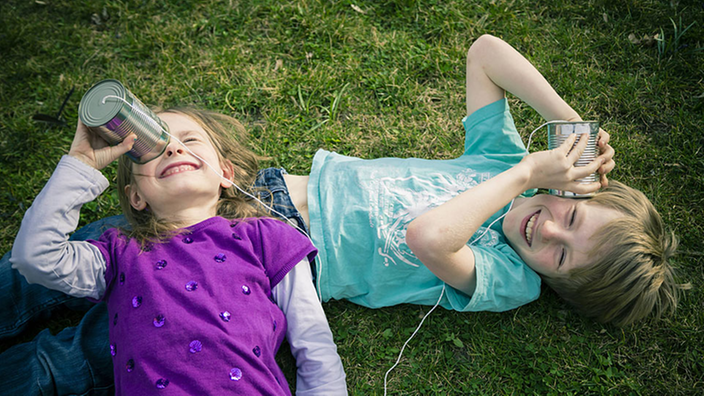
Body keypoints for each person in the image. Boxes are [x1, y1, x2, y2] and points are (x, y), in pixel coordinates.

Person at [1, 34, 686, 395]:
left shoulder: (511, 276)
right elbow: (485, 52)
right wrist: (566, 126)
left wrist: (528, 174)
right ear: (576, 192)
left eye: (562, 254)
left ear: (555, 282)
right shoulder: (499, 158)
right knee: (67, 259)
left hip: (266, 265)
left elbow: (430, 237)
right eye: (571, 217)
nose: (549, 231)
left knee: (113, 348)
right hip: (249, 193)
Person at [9, 106, 348, 394]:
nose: (172, 149)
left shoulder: (269, 236)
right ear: (136, 196)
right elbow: (35, 257)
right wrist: (80, 163)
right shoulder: (119, 251)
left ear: (225, 174)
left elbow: (314, 342)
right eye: (151, 149)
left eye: (189, 140)